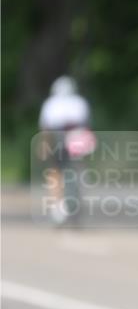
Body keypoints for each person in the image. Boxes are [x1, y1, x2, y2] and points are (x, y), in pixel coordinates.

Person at [38, 76, 93, 224]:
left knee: (55, 171)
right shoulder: (80, 102)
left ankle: (59, 206)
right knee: (75, 168)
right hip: (77, 137)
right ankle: (72, 201)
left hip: (61, 137)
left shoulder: (50, 104)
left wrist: (44, 146)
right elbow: (87, 126)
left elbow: (46, 129)